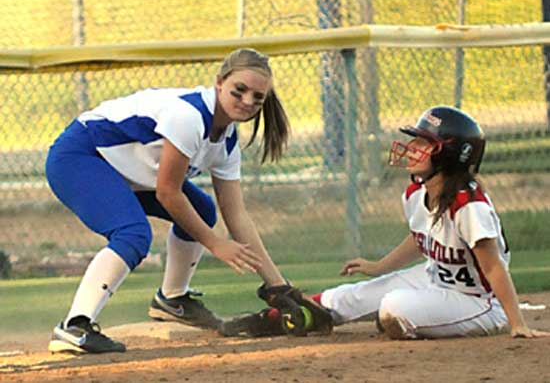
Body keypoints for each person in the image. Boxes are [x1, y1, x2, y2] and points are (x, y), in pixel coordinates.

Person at [45, 48, 298, 354]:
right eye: (239, 90)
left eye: (257, 98)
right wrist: (216, 244)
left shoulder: (227, 140)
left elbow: (237, 215)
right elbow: (167, 193)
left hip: (125, 169)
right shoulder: (189, 117)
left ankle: (172, 299)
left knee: (203, 211)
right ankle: (74, 325)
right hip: (80, 156)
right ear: (219, 83)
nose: (247, 102)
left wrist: (278, 287)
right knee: (133, 233)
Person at [221, 106, 550, 340]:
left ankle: (407, 321)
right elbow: (418, 239)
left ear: (449, 156)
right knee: (349, 297)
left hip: (477, 300)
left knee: (394, 307)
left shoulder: (469, 206)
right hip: (433, 278)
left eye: (424, 144)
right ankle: (281, 318)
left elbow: (493, 268)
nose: (412, 149)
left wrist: (515, 322)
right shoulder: (415, 193)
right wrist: (380, 267)